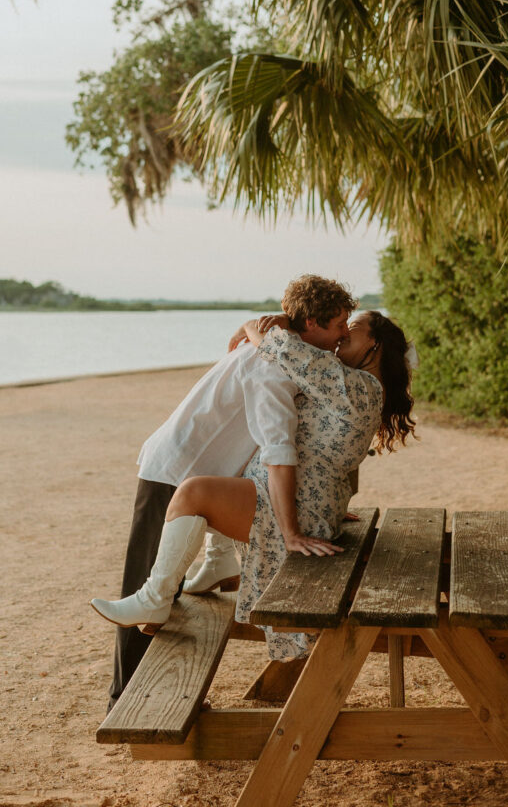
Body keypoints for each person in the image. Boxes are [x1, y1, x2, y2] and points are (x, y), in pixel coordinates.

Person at [91, 308, 416, 662]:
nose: (342, 335)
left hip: (292, 507)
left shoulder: (356, 385)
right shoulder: (357, 386)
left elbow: (289, 353)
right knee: (226, 469)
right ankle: (215, 565)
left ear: (375, 343)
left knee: (192, 493)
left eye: (351, 329)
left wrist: (253, 326)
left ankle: (154, 600)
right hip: (306, 501)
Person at [99, 275, 357, 708]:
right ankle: (124, 699)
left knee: (168, 592)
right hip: (175, 469)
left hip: (194, 470)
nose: (344, 334)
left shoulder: (277, 349)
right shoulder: (272, 366)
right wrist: (292, 532)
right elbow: (278, 448)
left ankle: (154, 694)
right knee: (147, 591)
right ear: (310, 323)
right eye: (339, 325)